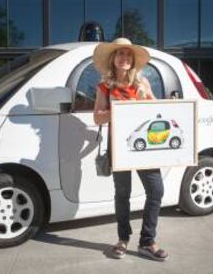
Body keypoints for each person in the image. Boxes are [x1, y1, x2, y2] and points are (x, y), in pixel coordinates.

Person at [92, 37, 169, 261]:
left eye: (128, 55)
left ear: (133, 60)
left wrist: (147, 97)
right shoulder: (104, 87)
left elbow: (159, 110)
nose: (124, 58)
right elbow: (97, 118)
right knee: (122, 194)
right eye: (120, 54)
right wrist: (118, 110)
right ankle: (123, 239)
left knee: (156, 190)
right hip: (119, 146)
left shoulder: (142, 83)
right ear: (113, 59)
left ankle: (147, 241)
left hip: (144, 146)